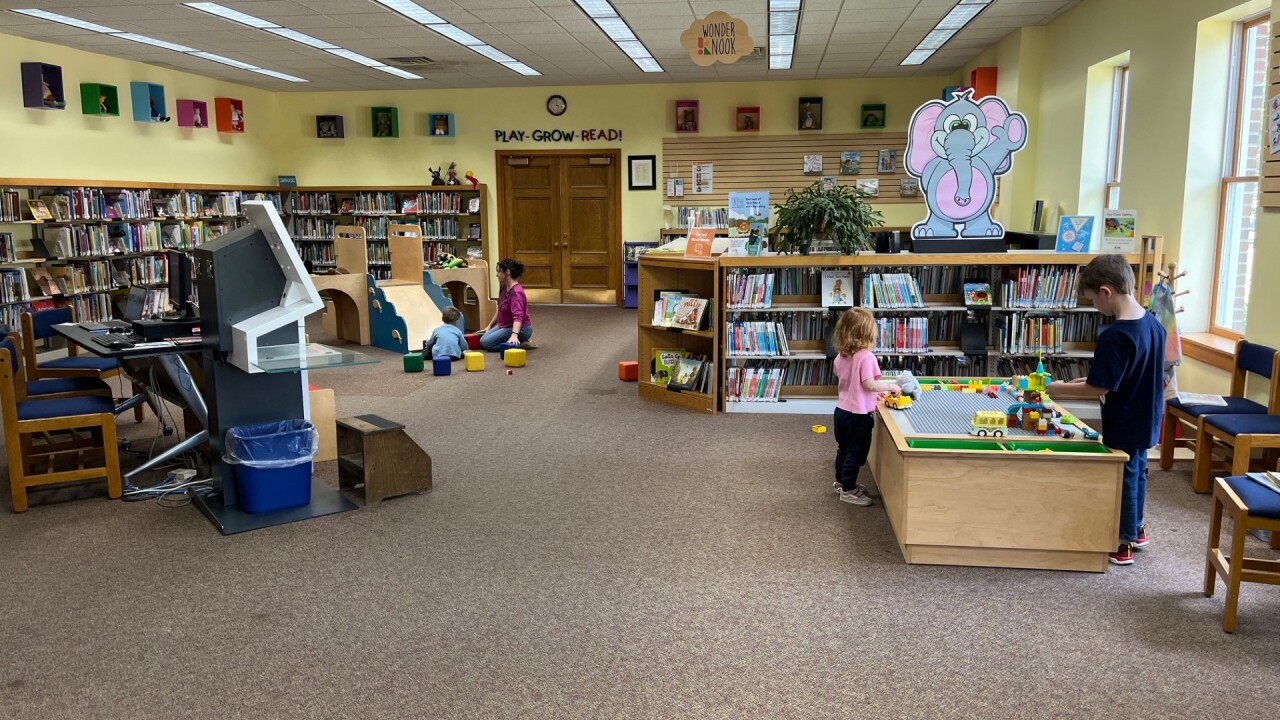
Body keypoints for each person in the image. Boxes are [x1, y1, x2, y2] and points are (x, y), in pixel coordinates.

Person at [1045, 255, 1165, 566]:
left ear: (1106, 291)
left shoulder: (1115, 335)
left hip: (1124, 418)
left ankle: (1121, 541)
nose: (1095, 306)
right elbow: (1126, 374)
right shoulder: (1152, 323)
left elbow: (1099, 389)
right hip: (1148, 414)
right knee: (1137, 470)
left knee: (1122, 477)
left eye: (1093, 299)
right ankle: (1136, 528)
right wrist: (1086, 380)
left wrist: (1057, 389)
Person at [831, 307, 899, 506]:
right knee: (856, 452)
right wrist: (890, 386)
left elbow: (851, 383)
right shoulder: (866, 357)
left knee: (843, 449)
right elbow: (869, 384)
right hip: (858, 415)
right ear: (868, 332)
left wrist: (873, 393)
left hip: (841, 411)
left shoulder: (841, 356)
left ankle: (842, 483)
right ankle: (848, 490)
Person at [480, 258, 534, 351]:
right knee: (482, 340)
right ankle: (515, 342)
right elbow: (500, 308)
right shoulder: (504, 286)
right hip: (506, 325)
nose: (497, 275)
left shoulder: (516, 293)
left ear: (508, 272)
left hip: (522, 329)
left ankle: (520, 344)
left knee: (487, 343)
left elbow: (518, 317)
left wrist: (514, 335)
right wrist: (489, 326)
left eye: (499, 272)